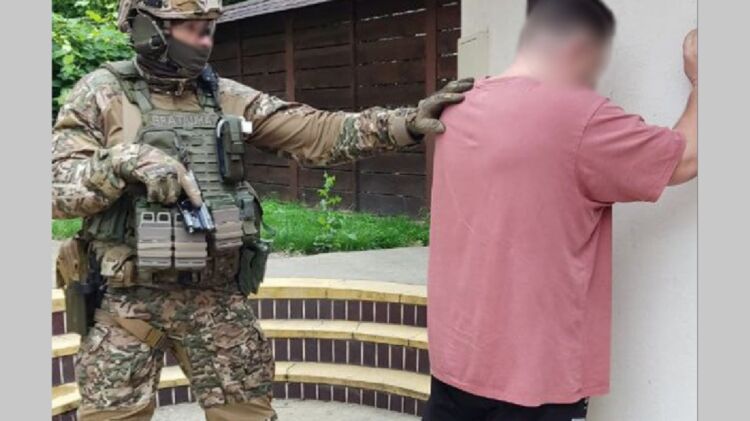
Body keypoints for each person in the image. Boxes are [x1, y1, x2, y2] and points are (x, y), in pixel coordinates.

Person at [51, 1, 472, 420]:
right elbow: (56, 187)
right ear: (147, 29)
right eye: (192, 28)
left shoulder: (222, 95)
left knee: (247, 414)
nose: (205, 40)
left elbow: (315, 131)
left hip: (216, 300)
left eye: (209, 27)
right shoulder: (101, 93)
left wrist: (404, 124)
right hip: (125, 303)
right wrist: (124, 161)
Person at [424, 0, 697, 420]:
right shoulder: (580, 118)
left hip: (455, 367)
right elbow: (685, 159)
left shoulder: (457, 104)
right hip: (534, 386)